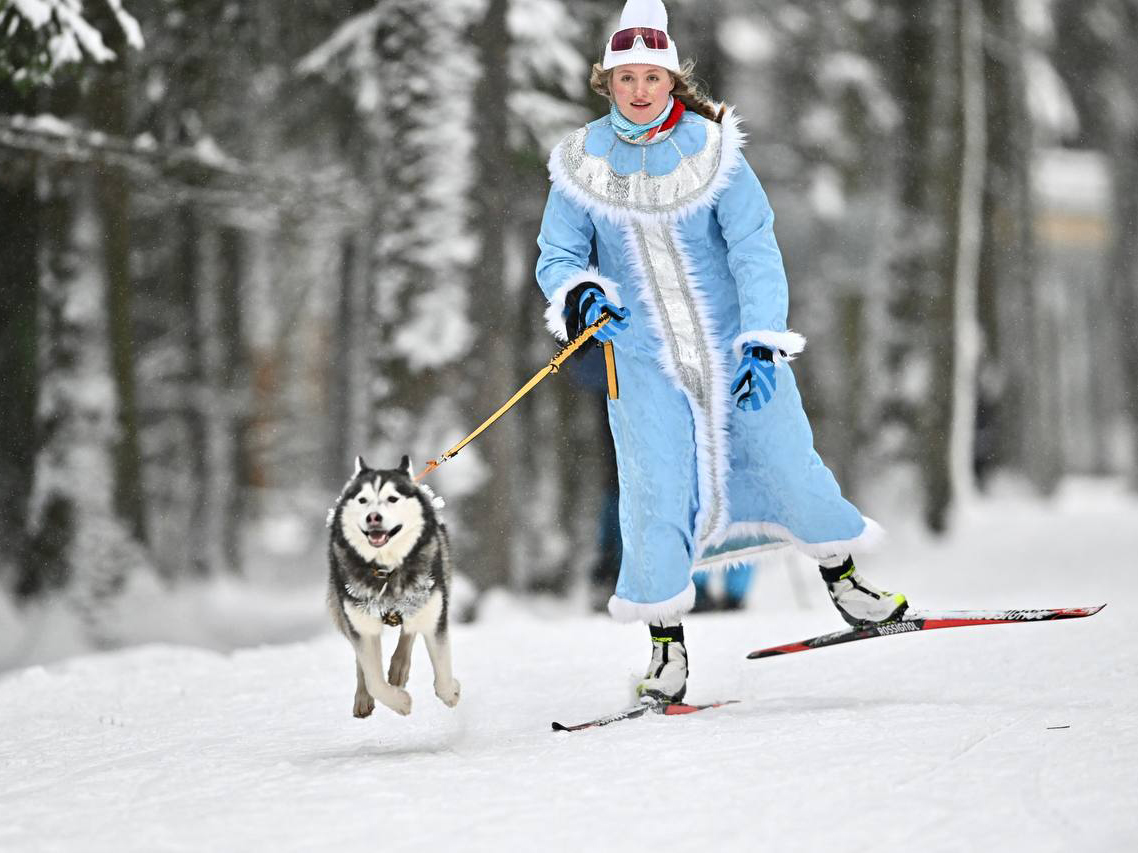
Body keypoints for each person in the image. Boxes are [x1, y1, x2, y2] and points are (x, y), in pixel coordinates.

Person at [534, 0, 906, 703]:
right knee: (652, 494)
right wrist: (580, 292)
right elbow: (557, 254)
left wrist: (762, 342)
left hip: (734, 353)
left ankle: (846, 582)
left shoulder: (715, 151)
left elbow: (754, 247)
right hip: (641, 364)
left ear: (674, 78)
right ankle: (667, 649)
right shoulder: (581, 162)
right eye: (625, 79)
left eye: (652, 76)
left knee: (787, 461)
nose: (639, 90)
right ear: (606, 83)